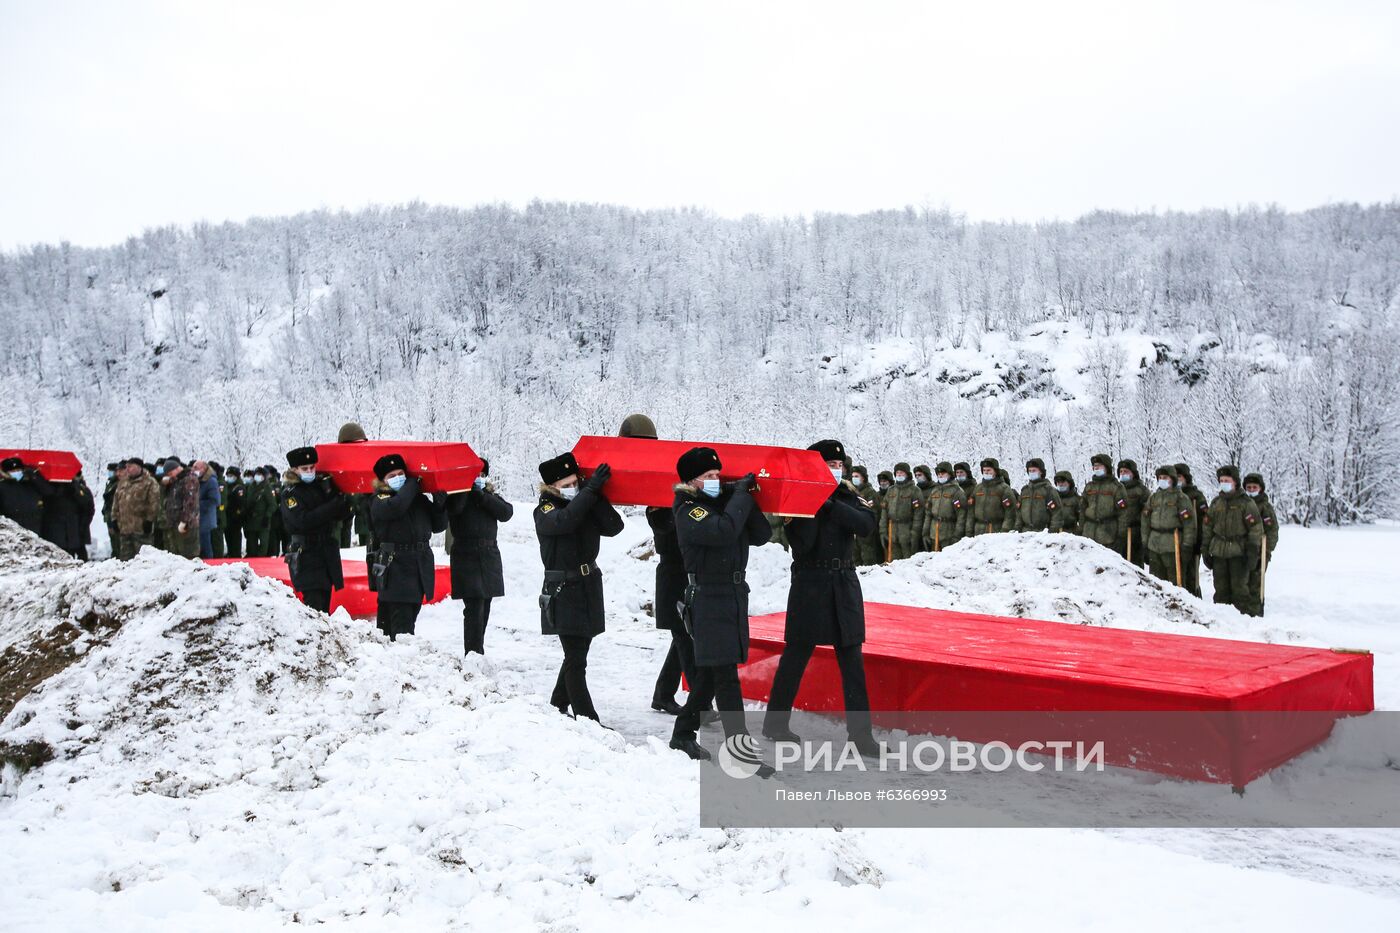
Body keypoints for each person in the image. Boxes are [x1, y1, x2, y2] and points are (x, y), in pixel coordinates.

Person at [763, 440, 879, 756]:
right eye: (828, 464)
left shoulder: (848, 496)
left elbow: (867, 525)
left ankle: (861, 735)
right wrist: (814, 502)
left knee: (852, 661)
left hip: (843, 584)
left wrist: (830, 504)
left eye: (839, 465)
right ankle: (775, 724)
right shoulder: (797, 499)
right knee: (796, 657)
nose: (835, 470)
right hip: (810, 584)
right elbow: (804, 545)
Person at [668, 447, 772, 769]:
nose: (715, 481)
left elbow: (762, 534)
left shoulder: (722, 505)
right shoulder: (688, 509)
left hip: (732, 593)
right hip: (709, 595)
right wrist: (738, 496)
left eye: (718, 476)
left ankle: (683, 732)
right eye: (708, 477)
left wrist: (741, 497)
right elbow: (723, 532)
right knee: (726, 676)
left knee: (713, 675)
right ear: (692, 481)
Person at [535, 452, 623, 722]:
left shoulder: (583, 503)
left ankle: (557, 704)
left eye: (576, 483)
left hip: (587, 585)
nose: (572, 489)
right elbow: (565, 521)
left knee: (578, 652)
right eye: (566, 485)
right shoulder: (545, 510)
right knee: (576, 658)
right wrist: (590, 490)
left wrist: (593, 494)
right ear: (552, 488)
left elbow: (614, 526)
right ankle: (587, 718)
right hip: (564, 588)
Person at [369, 453, 448, 640]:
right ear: (383, 481)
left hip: (418, 567)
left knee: (407, 618)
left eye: (401, 473)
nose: (398, 478)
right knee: (399, 626)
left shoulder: (416, 499)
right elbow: (396, 507)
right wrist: (413, 484)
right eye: (392, 476)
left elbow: (438, 526)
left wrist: (439, 504)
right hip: (395, 569)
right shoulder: (379, 500)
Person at [447, 457, 513, 654]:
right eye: (475, 475)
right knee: (474, 607)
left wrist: (481, 496)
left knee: (485, 605)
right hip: (466, 555)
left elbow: (506, 512)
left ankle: (477, 648)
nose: (479, 478)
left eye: (482, 475)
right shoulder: (458, 495)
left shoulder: (489, 495)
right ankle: (473, 652)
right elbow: (454, 510)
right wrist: (466, 490)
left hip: (489, 555)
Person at [280, 447, 352, 613]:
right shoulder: (290, 493)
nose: (310, 471)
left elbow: (342, 514)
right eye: (305, 469)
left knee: (324, 606)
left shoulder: (321, 487)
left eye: (312, 467)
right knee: (315, 606)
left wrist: (340, 500)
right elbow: (303, 520)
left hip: (325, 553)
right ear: (294, 470)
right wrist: (332, 506)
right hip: (306, 555)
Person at [1202, 465, 1264, 616]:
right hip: (1219, 551)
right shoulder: (1217, 503)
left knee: (1239, 589)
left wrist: (1252, 551)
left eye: (1227, 480)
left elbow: (1255, 528)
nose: (1224, 483)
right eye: (1221, 480)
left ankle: (1242, 621)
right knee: (1220, 588)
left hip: (1239, 552)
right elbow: (1208, 526)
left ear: (1235, 481)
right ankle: (1221, 620)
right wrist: (1205, 549)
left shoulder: (1246, 503)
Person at [1141, 465, 1197, 586]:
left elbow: (1189, 524)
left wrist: (1187, 545)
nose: (1162, 480)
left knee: (1175, 583)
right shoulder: (1154, 498)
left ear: (1172, 479)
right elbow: (1145, 520)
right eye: (1160, 477)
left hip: (1173, 546)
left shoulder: (1181, 498)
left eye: (1165, 477)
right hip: (1154, 545)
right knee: (1156, 583)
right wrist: (1145, 542)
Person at [110, 457, 161, 560]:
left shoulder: (149, 482)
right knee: (125, 559)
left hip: (141, 528)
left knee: (143, 559)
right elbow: (116, 502)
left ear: (139, 467)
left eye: (130, 467)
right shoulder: (123, 482)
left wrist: (149, 520)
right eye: (127, 467)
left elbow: (154, 503)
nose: (127, 469)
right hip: (124, 529)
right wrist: (114, 519)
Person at [1243, 472, 1279, 615]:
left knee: (1255, 583)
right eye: (1249, 487)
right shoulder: (1243, 504)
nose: (1251, 490)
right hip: (1243, 550)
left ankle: (1255, 611)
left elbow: (1272, 531)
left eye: (1254, 487)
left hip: (1259, 552)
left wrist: (1266, 550)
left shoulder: (1265, 507)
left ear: (1260, 488)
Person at [1080, 454, 1130, 555]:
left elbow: (1123, 513)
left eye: (1099, 465)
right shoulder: (1089, 487)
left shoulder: (1116, 487)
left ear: (1107, 468)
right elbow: (1082, 508)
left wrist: (1121, 536)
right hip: (1088, 535)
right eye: (1094, 466)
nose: (1096, 468)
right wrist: (1081, 528)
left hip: (1108, 536)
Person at [40, 469, 96, 559]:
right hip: (61, 532)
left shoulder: (77, 489)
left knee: (78, 553)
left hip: (74, 530)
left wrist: (83, 525)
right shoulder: (53, 490)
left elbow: (87, 507)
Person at [1174, 463, 1208, 598]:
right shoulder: (1172, 495)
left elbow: (1204, 521)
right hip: (1177, 542)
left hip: (1192, 542)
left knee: (1191, 575)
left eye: (1180, 476)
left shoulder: (1196, 496)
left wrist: (1199, 541)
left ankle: (1195, 597)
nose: (1177, 480)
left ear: (1186, 478)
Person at [0, 457, 54, 537]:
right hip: (12, 525)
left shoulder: (32, 482)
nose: (16, 473)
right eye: (13, 471)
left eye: (18, 470)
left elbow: (48, 492)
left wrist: (34, 477)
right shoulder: (2, 486)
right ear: (5, 472)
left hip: (34, 524)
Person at [924, 461, 968, 552]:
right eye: (938, 474)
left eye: (943, 473)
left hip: (949, 533)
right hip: (934, 532)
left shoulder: (957, 491)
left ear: (950, 474)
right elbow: (928, 513)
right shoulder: (935, 490)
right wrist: (925, 533)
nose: (940, 475)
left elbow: (962, 516)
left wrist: (957, 535)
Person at [161, 458, 201, 558]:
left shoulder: (189, 479)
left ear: (177, 469)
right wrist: (165, 484)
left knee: (188, 554)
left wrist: (185, 521)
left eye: (170, 473)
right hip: (174, 523)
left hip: (186, 525)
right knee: (175, 554)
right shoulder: (176, 480)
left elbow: (190, 503)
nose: (170, 476)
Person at [881, 461, 922, 559]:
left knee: (908, 560)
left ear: (907, 474)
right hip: (893, 530)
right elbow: (884, 512)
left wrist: (914, 533)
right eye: (897, 473)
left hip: (907, 529)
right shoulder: (891, 490)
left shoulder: (914, 490)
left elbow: (918, 514)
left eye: (901, 473)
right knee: (894, 561)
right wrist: (883, 530)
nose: (899, 475)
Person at [968, 458, 1016, 535]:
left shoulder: (1004, 489)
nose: (986, 473)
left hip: (995, 531)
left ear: (995, 471)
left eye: (989, 470)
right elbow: (971, 513)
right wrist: (969, 532)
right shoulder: (978, 488)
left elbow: (1010, 513)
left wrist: (1004, 531)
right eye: (984, 470)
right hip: (978, 531)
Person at [848, 465, 884, 565]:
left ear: (863, 477)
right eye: (853, 476)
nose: (854, 479)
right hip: (854, 530)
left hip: (866, 530)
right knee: (855, 557)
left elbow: (874, 513)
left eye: (857, 476)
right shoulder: (852, 491)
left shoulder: (870, 492)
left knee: (868, 556)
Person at [1017, 458, 1063, 533]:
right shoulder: (1024, 490)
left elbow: (1057, 513)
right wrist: (1017, 529)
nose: (1031, 473)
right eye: (1030, 471)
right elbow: (1019, 513)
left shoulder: (1048, 490)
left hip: (1043, 533)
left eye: (1034, 470)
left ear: (1041, 472)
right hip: (1025, 532)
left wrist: (1052, 531)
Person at [1117, 459, 1149, 566]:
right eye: (1121, 471)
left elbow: (1146, 510)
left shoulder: (1141, 490)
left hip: (1135, 533)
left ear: (1133, 473)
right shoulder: (1116, 489)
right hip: (1119, 532)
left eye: (1126, 471)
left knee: (1135, 563)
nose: (1123, 474)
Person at [242, 467, 275, 556]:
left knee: (263, 544)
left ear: (264, 476)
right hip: (251, 520)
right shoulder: (250, 486)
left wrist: (267, 516)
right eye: (256, 474)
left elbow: (272, 504)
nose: (257, 476)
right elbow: (247, 500)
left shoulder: (267, 487)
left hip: (262, 520)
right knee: (251, 545)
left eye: (260, 474)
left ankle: (261, 561)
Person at [195, 460, 221, 558]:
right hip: (198, 518)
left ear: (203, 469)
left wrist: (197, 504)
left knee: (205, 545)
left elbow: (215, 500)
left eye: (196, 468)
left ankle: (209, 563)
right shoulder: (198, 480)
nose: (193, 470)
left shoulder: (211, 481)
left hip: (206, 518)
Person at [223, 465, 246, 558]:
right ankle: (230, 552)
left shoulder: (239, 487)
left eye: (231, 475)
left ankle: (236, 554)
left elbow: (242, 503)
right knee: (228, 536)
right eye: (228, 475)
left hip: (235, 518)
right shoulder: (227, 486)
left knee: (235, 537)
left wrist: (237, 514)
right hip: (227, 516)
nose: (229, 477)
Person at [912, 464, 935, 550]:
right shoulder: (914, 490)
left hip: (930, 525)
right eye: (916, 475)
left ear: (926, 475)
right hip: (917, 524)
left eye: (920, 475)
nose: (918, 477)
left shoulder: (935, 488)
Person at [101, 463, 119, 546]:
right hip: (109, 514)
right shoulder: (110, 483)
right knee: (113, 539)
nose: (110, 473)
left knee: (116, 539)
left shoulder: (117, 483)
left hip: (114, 515)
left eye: (111, 471)